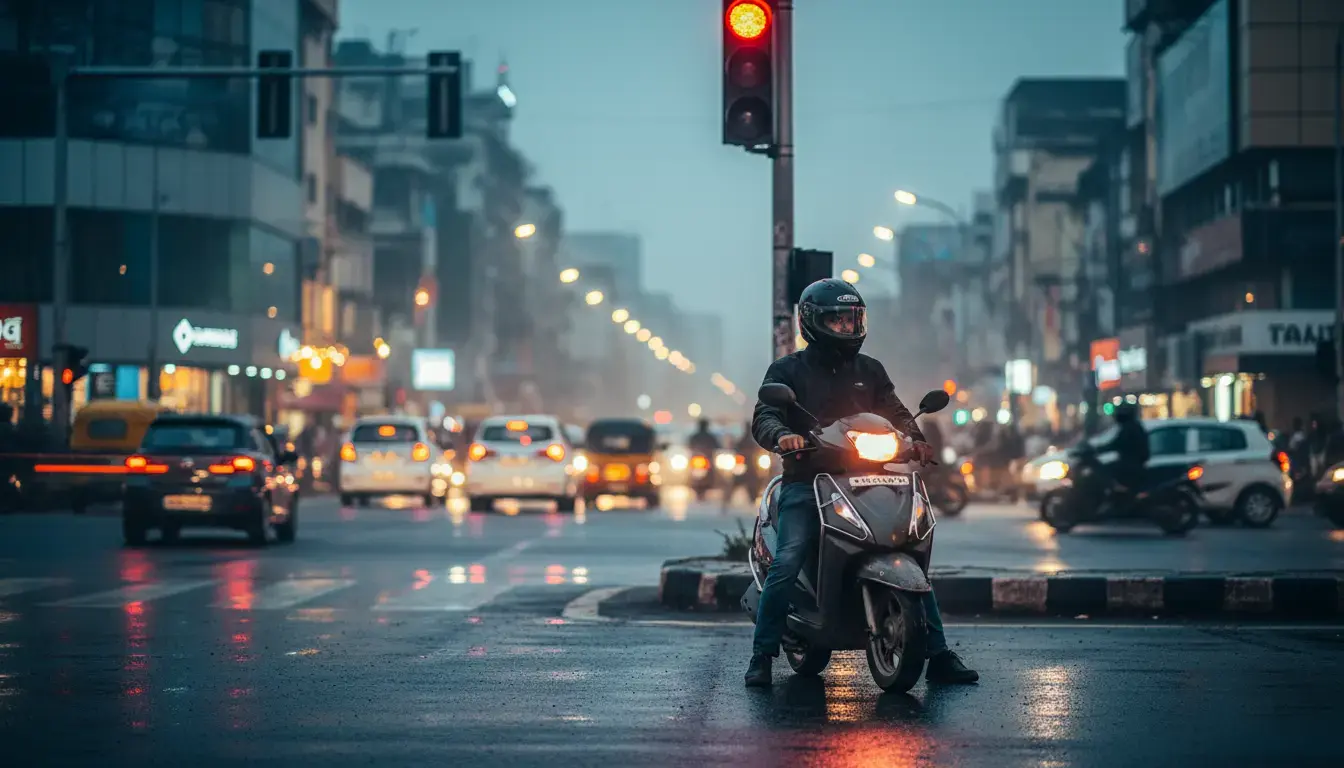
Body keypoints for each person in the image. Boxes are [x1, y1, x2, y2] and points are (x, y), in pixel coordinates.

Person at [744, 278, 978, 688]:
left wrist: (916, 440)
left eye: (853, 320)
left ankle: (938, 653)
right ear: (812, 323)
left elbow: (896, 411)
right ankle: (761, 655)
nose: (847, 328)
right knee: (789, 558)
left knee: (904, 547)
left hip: (870, 477)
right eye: (837, 321)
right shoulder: (788, 371)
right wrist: (783, 436)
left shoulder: (869, 370)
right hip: (809, 479)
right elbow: (765, 416)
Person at [1094, 402, 1149, 492]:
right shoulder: (1133, 426)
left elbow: (1116, 443)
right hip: (1133, 464)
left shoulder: (1129, 428)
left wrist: (1098, 450)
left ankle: (1113, 490)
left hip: (1131, 465)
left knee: (1105, 470)